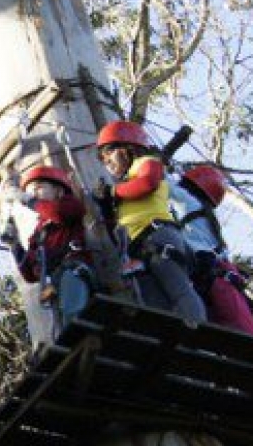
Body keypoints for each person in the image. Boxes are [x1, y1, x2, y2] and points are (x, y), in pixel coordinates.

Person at [94, 120, 206, 323]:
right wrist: (104, 204)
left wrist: (113, 192)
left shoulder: (147, 163)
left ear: (129, 147)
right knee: (155, 303)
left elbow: (148, 183)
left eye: (110, 152)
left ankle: (198, 331)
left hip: (158, 235)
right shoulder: (125, 185)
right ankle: (169, 342)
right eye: (102, 158)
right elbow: (114, 228)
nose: (106, 160)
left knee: (177, 289)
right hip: (137, 247)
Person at [8, 165, 96, 336]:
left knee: (73, 315)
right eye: (31, 190)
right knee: (60, 327)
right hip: (53, 283)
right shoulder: (39, 233)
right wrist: (15, 245)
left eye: (40, 187)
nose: (34, 193)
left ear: (59, 190)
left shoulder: (69, 205)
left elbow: (59, 214)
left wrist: (28, 200)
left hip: (73, 271)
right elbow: (30, 274)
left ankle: (77, 337)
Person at [168, 163, 253, 335]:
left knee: (237, 330)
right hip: (217, 275)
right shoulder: (203, 214)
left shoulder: (189, 203)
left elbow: (165, 186)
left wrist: (148, 163)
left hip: (214, 275)